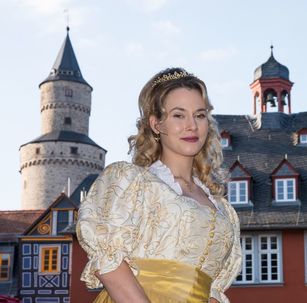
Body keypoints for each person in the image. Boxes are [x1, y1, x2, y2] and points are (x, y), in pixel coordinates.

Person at [76, 67, 241, 303]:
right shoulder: (131, 183)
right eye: (178, 115)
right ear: (156, 124)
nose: (192, 125)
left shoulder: (224, 211)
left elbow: (213, 289)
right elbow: (109, 263)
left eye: (200, 115)